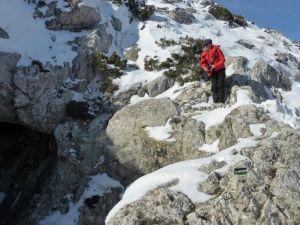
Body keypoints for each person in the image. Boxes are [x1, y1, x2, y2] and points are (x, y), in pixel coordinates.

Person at [200, 39, 226, 103]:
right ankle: (215, 101)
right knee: (214, 85)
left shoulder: (217, 49)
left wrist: (215, 66)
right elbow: (203, 62)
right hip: (212, 71)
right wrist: (205, 67)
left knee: (220, 85)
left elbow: (222, 60)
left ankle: (221, 101)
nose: (205, 48)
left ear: (210, 45)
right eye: (204, 47)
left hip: (220, 70)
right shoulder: (204, 53)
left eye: (206, 46)